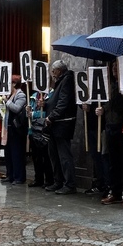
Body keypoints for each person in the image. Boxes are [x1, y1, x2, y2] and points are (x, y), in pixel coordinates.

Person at [97, 60, 123, 206]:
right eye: (112, 66)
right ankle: (116, 192)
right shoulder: (111, 85)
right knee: (113, 162)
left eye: (116, 67)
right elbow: (107, 104)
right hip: (110, 126)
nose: (114, 69)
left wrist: (122, 95)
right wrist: (102, 109)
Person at [45, 60, 78, 194]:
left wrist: (52, 116)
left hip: (62, 123)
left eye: (53, 71)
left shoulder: (67, 81)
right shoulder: (60, 82)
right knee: (54, 155)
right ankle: (58, 181)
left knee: (64, 156)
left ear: (59, 70)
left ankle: (69, 184)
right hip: (54, 124)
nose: (52, 74)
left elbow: (63, 102)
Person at [1, 75, 28, 185]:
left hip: (17, 128)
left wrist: (6, 102)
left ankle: (19, 177)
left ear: (14, 84)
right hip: (8, 127)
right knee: (8, 153)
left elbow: (17, 108)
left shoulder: (20, 95)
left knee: (17, 153)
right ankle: (10, 174)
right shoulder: (9, 94)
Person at [27, 89, 54, 188]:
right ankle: (38, 178)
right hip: (33, 130)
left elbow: (48, 112)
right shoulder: (34, 95)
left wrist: (34, 114)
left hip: (44, 130)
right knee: (36, 157)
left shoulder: (51, 95)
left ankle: (49, 179)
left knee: (46, 156)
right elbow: (30, 111)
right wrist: (28, 111)